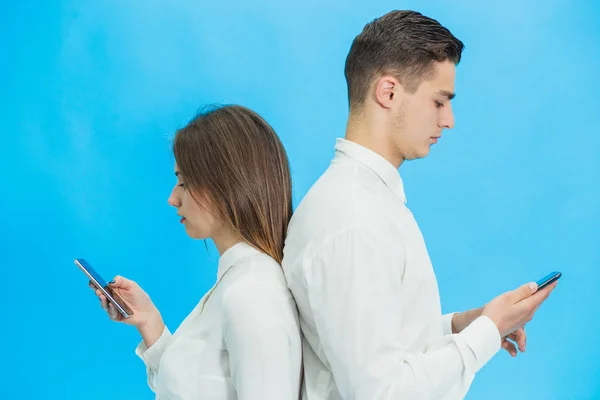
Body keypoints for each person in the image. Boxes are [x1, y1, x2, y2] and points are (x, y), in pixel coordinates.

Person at [282, 10, 558, 400]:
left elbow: (386, 347)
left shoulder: (366, 203)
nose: (449, 120)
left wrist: (465, 325)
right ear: (389, 92)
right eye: (439, 101)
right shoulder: (354, 220)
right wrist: (487, 333)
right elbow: (382, 393)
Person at [91, 104, 302, 399]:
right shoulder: (236, 283)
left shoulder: (250, 293)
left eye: (184, 182)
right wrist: (149, 320)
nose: (172, 198)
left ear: (228, 184)